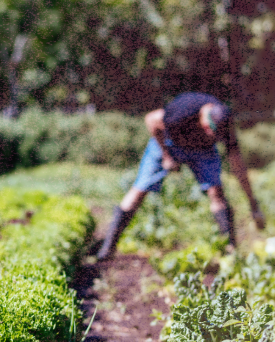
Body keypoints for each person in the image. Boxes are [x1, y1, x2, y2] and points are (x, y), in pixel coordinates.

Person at [97, 92, 266, 260]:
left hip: (202, 150)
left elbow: (238, 166)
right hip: (168, 142)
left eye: (214, 135)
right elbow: (151, 119)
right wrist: (166, 156)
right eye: (208, 129)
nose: (210, 135)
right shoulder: (184, 110)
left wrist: (253, 204)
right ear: (204, 116)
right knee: (139, 190)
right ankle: (107, 249)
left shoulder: (224, 125)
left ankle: (230, 253)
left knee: (216, 193)